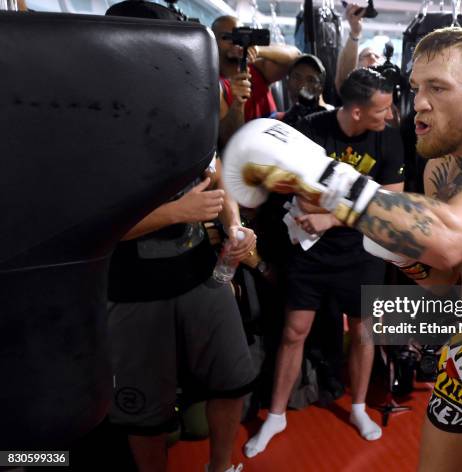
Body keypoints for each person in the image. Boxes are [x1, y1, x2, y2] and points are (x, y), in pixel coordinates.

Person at [222, 27, 462, 472]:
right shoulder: (439, 166)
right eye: (418, 87)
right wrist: (403, 254)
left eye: (437, 87)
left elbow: (455, 236)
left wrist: (326, 180)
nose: (419, 101)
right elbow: (445, 277)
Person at [105, 4, 257, 472]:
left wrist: (233, 225)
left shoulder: (187, 105)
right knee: (146, 412)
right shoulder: (101, 120)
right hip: (133, 288)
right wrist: (175, 212)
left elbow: (212, 177)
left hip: (200, 274)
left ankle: (220, 466)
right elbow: (90, 228)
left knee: (234, 380)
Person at [243, 68, 404, 458]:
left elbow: (390, 202)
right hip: (309, 251)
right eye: (381, 109)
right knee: (294, 331)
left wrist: (332, 215)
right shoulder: (311, 130)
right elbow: (295, 190)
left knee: (364, 330)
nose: (390, 115)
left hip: (362, 252)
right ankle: (277, 415)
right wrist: (349, 202)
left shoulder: (389, 138)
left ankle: (360, 408)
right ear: (355, 112)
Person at [212, 15, 300, 146]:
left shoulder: (256, 68)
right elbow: (228, 139)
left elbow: (295, 56)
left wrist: (259, 50)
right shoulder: (214, 84)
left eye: (238, 36)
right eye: (226, 37)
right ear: (212, 42)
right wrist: (238, 103)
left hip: (275, 144)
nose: (234, 42)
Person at [334, 3, 382, 92]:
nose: (372, 58)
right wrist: (355, 33)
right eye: (366, 55)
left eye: (377, 56)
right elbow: (345, 80)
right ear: (356, 65)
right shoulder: (353, 94)